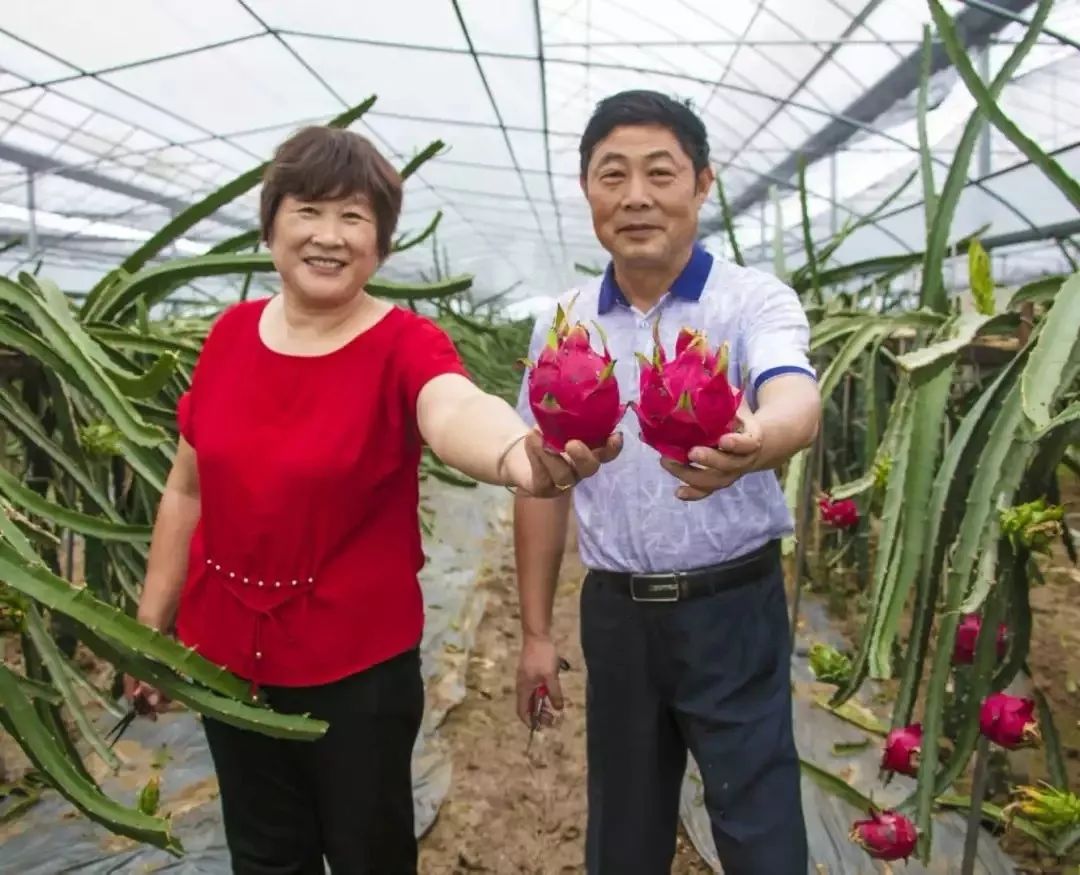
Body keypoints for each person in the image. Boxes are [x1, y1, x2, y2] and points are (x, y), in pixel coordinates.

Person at [123, 125, 622, 875]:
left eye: (354, 217)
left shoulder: (404, 344)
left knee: (368, 855)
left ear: (381, 243)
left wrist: (520, 455)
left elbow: (454, 408)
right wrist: (150, 630)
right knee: (262, 855)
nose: (329, 236)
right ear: (271, 225)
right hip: (228, 665)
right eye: (308, 211)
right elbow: (186, 489)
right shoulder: (227, 337)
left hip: (354, 675)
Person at [513, 90, 820, 874]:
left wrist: (758, 440)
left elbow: (794, 393)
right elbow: (540, 479)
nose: (637, 195)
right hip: (616, 614)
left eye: (661, 171)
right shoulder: (565, 323)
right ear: (587, 191)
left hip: (733, 609)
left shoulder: (752, 300)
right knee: (623, 830)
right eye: (612, 174)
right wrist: (537, 632)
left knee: (760, 828)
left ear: (703, 183)